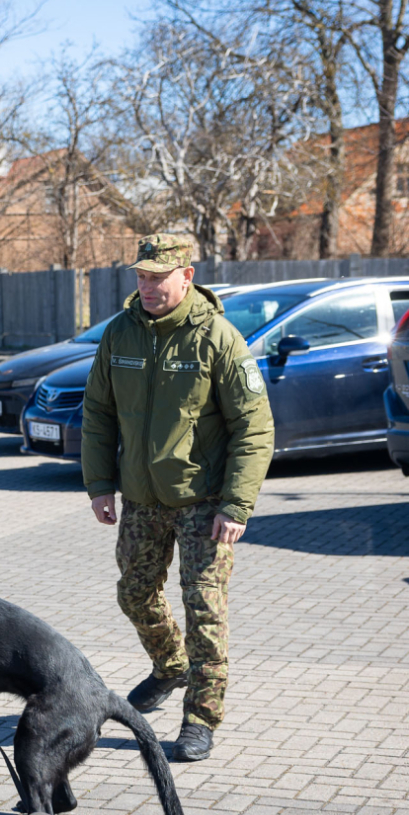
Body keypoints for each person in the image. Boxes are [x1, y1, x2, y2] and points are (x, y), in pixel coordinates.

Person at [80, 234, 274, 763]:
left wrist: (236, 505)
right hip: (142, 499)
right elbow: (97, 414)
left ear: (186, 277)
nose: (146, 286)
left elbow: (254, 429)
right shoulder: (120, 334)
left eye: (157, 277)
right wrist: (100, 485)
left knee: (203, 609)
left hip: (204, 502)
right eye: (141, 276)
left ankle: (201, 717)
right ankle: (170, 667)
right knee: (134, 595)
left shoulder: (219, 337)